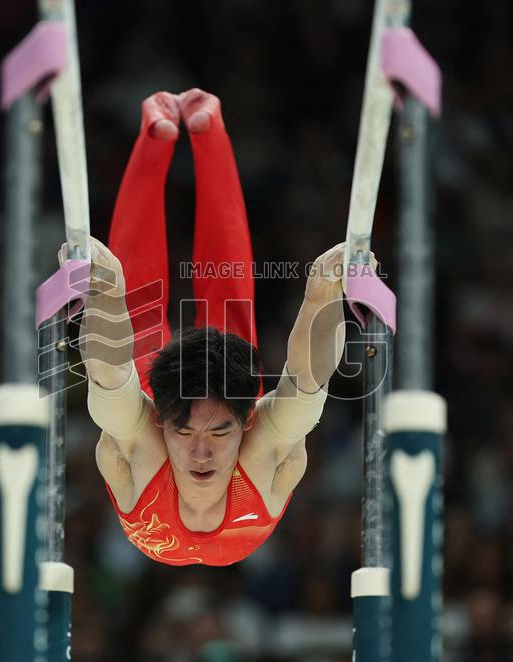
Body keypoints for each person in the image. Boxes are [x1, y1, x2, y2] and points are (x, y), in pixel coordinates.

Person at [69, 89, 353, 566]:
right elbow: (308, 384)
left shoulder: (147, 452)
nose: (201, 452)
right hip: (179, 402)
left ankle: (153, 135)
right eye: (188, 434)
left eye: (220, 434)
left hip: (159, 402)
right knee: (230, 298)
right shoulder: (258, 460)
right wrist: (322, 297)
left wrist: (104, 290)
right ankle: (210, 129)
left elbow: (109, 376)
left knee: (130, 303)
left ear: (245, 422)